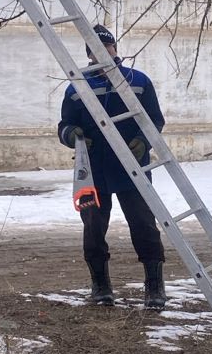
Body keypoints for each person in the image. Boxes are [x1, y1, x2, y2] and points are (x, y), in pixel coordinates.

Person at [58, 26, 167, 310]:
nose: (103, 53)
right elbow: (64, 126)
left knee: (144, 225)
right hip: (93, 172)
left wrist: (143, 142)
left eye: (107, 47)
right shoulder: (76, 87)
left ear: (115, 49)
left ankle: (154, 287)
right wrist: (73, 135)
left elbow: (155, 120)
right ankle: (101, 286)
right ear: (90, 55)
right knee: (93, 228)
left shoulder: (138, 80)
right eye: (96, 50)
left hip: (133, 168)